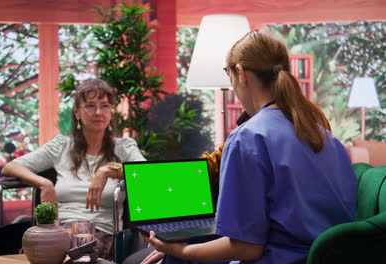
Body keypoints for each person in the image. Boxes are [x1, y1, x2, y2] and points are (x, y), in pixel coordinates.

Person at [142, 29, 357, 263]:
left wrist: (179, 251)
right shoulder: (324, 135)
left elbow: (247, 248)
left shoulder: (247, 138)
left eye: (229, 74)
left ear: (242, 74)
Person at [1, 78, 145, 260]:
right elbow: (11, 167)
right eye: (91, 106)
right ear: (77, 112)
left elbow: (145, 173)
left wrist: (107, 171)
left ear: (111, 111)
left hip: (101, 233)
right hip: (59, 230)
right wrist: (44, 183)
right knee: (43, 246)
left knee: (59, 251)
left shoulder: (123, 147)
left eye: (105, 105)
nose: (98, 112)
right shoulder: (61, 146)